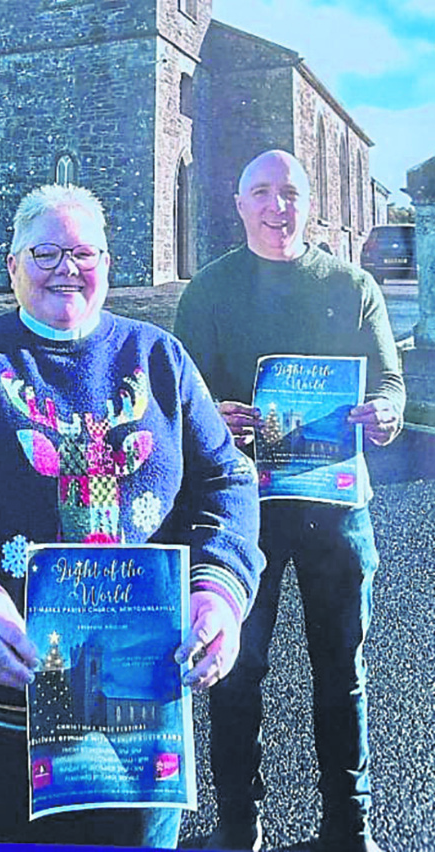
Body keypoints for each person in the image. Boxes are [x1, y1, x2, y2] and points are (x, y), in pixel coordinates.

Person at [0, 184, 265, 848]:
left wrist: (219, 592)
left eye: (83, 253)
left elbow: (225, 480)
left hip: (129, 715)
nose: (66, 268)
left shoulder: (159, 359)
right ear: (12, 265)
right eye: (45, 253)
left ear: (107, 264)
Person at [174, 150, 405, 852]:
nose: (278, 207)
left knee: (342, 671)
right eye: (262, 193)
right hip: (243, 514)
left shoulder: (352, 285)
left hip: (338, 509)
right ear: (238, 204)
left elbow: (389, 383)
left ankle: (349, 829)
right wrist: (216, 415)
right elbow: (180, 402)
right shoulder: (208, 291)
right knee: (236, 672)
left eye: (290, 193)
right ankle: (238, 827)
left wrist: (387, 414)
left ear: (310, 203)